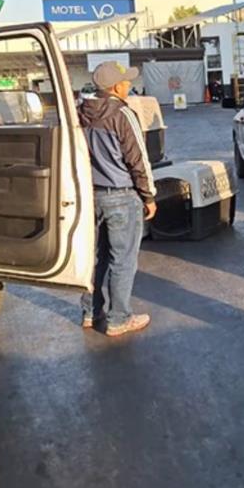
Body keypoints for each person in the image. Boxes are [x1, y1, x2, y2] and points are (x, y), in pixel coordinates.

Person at [77, 60, 156, 337]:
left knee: (96, 258)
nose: (129, 85)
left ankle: (90, 311)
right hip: (122, 195)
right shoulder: (122, 114)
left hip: (92, 197)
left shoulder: (80, 112)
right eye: (126, 82)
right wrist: (149, 196)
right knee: (123, 260)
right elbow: (138, 159)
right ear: (116, 86)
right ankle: (119, 318)